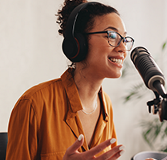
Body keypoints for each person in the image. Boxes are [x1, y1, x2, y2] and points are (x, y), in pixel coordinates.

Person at [6, 0, 134, 159]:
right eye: (112, 35)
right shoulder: (34, 104)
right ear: (78, 43)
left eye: (125, 39)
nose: (122, 48)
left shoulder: (105, 105)